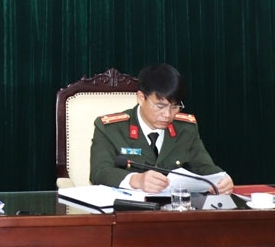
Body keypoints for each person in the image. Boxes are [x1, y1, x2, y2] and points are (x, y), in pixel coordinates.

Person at [89, 63, 234, 194]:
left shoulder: (185, 128)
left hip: (176, 208)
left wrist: (221, 178)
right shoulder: (111, 128)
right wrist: (136, 180)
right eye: (160, 106)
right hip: (127, 210)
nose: (168, 115)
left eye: (175, 107)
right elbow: (99, 172)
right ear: (141, 98)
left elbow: (204, 167)